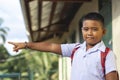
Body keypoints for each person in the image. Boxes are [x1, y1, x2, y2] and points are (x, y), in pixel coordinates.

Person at [8, 12, 119, 80]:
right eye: (86, 29)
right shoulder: (76, 49)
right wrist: (26, 45)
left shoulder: (106, 54)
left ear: (103, 32)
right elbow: (51, 46)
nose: (89, 33)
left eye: (94, 29)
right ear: (82, 31)